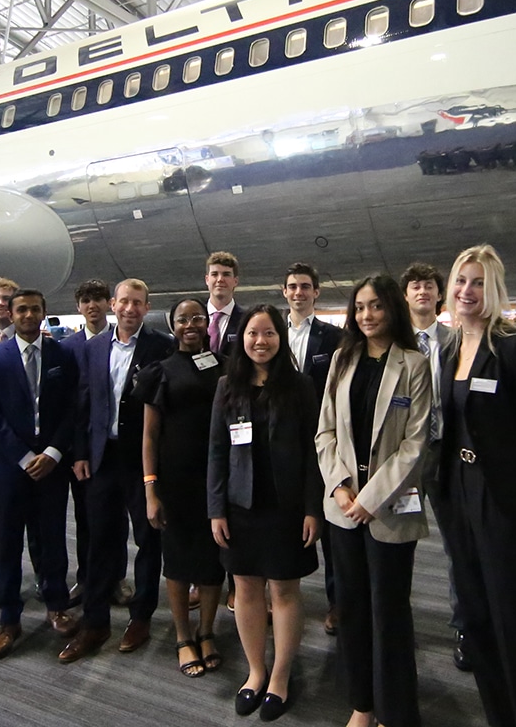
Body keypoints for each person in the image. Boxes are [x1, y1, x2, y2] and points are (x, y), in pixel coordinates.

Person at [431, 245, 516, 727]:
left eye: (478, 282)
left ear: (496, 289)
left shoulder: (515, 346)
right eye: (461, 281)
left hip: (505, 500)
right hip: (456, 494)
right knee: (477, 616)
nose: (467, 291)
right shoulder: (447, 348)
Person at [316, 276, 432, 727]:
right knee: (353, 610)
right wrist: (340, 486)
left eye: (376, 307)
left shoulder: (414, 364)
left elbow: (415, 443)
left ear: (392, 311)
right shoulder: (343, 360)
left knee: (390, 613)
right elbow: (324, 432)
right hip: (343, 509)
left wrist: (370, 497)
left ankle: (396, 712)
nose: (367, 316)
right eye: (360, 307)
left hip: (389, 509)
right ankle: (362, 705)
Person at [209, 304, 323, 721]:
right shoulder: (227, 386)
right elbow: (217, 452)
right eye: (253, 333)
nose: (261, 341)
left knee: (285, 591)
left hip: (286, 507)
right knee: (246, 590)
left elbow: (315, 453)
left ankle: (280, 674)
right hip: (240, 508)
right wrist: (215, 508)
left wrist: (314, 508)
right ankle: (255, 671)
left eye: (269, 333)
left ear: (281, 338)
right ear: (242, 339)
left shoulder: (301, 386)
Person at [63, 279, 175, 662]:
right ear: (113, 304)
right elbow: (83, 403)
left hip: (143, 461)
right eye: (124, 301)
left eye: (138, 303)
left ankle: (141, 616)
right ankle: (94, 623)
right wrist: (80, 452)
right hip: (101, 459)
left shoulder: (163, 347)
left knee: (148, 540)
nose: (130, 309)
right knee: (100, 541)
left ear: (147, 307)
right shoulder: (92, 348)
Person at [0, 288, 82, 659]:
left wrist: (53, 453)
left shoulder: (61, 355)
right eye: (21, 309)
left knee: (52, 538)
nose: (27, 315)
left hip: (51, 467)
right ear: (10, 312)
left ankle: (57, 604)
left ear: (43, 313)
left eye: (34, 309)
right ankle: (8, 618)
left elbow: (73, 407)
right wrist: (23, 457)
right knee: (7, 544)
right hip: (9, 468)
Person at [139, 297, 227, 678]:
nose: (190, 324)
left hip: (218, 481)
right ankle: (182, 635)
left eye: (197, 318)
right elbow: (149, 436)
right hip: (174, 483)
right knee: (176, 562)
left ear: (207, 322)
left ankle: (206, 631)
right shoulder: (160, 371)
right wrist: (150, 489)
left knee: (212, 562)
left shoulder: (226, 366)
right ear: (172, 324)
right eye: (182, 319)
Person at [402, 260, 466, 669]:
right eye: (415, 286)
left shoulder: (457, 339)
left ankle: (465, 624)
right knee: (397, 542)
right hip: (406, 458)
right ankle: (397, 623)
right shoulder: (393, 343)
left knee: (458, 545)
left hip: (447, 453)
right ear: (405, 295)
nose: (422, 292)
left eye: (429, 286)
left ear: (439, 295)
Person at [282, 261, 344, 633]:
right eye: (293, 287)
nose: (299, 293)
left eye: (306, 286)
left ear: (316, 292)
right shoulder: (270, 333)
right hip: (282, 440)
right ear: (284, 292)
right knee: (284, 521)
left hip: (324, 441)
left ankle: (338, 602)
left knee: (332, 527)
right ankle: (282, 599)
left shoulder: (333, 337)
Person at [63, 278, 112, 606]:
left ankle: (116, 577)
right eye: (85, 300)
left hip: (114, 444)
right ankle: (86, 577)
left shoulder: (119, 339)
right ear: (79, 307)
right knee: (85, 516)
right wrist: (76, 450)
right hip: (81, 447)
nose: (92, 305)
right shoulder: (67, 347)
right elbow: (68, 404)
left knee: (115, 518)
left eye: (98, 299)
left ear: (109, 303)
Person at [206, 251, 244, 356]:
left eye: (226, 274)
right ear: (207, 280)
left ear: (235, 281)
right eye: (214, 274)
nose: (220, 279)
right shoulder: (195, 317)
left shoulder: (246, 320)